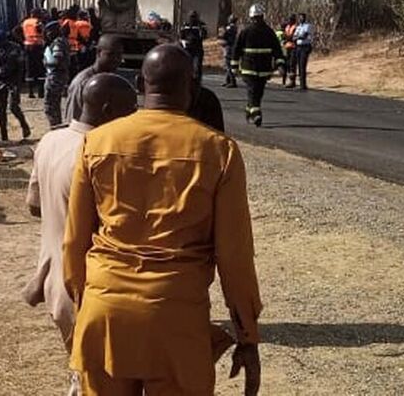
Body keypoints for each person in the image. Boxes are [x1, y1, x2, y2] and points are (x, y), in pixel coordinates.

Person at [63, 44, 262, 396]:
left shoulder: (96, 142)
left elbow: (75, 241)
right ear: (194, 88)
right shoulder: (218, 151)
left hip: (105, 309)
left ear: (140, 85)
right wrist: (247, 334)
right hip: (176, 316)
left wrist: (84, 309)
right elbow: (235, 257)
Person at [24, 73, 139, 394]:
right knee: (92, 382)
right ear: (106, 108)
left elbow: (34, 206)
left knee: (82, 374)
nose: (134, 116)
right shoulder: (102, 154)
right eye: (129, 108)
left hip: (53, 284)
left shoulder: (50, 141)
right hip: (87, 292)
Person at [231, 4, 284, 127]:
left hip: (264, 70)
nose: (257, 20)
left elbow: (277, 49)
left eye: (258, 17)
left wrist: (280, 64)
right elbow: (236, 49)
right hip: (249, 69)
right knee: (253, 91)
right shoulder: (246, 32)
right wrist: (234, 66)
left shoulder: (268, 32)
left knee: (258, 93)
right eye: (256, 17)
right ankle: (256, 114)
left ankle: (250, 110)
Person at [63, 34, 126, 124]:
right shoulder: (82, 82)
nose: (116, 59)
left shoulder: (115, 81)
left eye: (119, 55)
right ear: (98, 52)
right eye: (110, 54)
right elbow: (73, 120)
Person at [0, 30, 32, 141]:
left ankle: (24, 125)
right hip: (0, 82)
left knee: (13, 107)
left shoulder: (15, 48)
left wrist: (20, 83)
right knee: (0, 110)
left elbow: (21, 67)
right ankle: (4, 135)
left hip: (13, 81)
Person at [43, 21, 73, 128]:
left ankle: (56, 128)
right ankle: (58, 127)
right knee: (54, 105)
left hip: (55, 77)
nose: (47, 34)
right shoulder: (61, 41)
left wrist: (46, 62)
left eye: (49, 32)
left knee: (50, 106)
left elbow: (57, 61)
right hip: (57, 76)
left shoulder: (57, 43)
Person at [22, 9, 46, 99]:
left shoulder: (25, 22)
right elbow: (40, 31)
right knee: (40, 69)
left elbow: (16, 31)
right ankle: (41, 92)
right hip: (37, 46)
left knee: (29, 69)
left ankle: (30, 92)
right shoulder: (38, 22)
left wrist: (23, 40)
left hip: (27, 46)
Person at [179, 11, 208, 82]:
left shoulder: (201, 25)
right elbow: (181, 36)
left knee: (197, 66)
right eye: (191, 17)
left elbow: (204, 36)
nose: (192, 18)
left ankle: (197, 81)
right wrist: (183, 42)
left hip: (197, 48)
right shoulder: (186, 24)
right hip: (187, 48)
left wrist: (201, 30)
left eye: (194, 17)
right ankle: (188, 79)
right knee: (187, 65)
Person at [292, 12, 314, 91]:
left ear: (305, 18)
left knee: (302, 65)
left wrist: (297, 37)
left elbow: (304, 36)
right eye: (299, 18)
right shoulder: (298, 27)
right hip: (298, 47)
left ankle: (303, 85)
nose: (301, 19)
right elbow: (294, 37)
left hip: (305, 47)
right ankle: (300, 83)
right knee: (298, 65)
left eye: (302, 18)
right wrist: (297, 37)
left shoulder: (308, 26)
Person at [219, 14, 239, 88]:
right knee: (228, 65)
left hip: (229, 48)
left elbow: (224, 36)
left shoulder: (230, 28)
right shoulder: (236, 28)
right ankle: (227, 80)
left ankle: (232, 81)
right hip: (231, 47)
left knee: (229, 65)